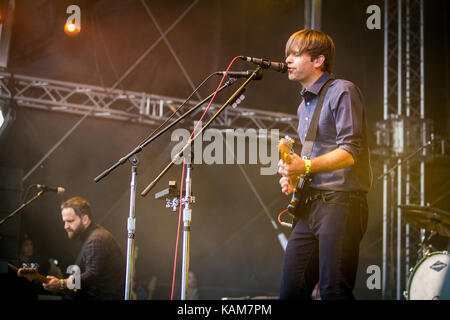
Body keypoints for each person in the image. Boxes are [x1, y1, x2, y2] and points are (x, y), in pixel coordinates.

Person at [277, 29, 372, 300]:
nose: (287, 61)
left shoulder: (342, 90)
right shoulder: (302, 106)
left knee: (334, 291)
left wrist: (304, 167)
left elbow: (350, 152)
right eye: (287, 54)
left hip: (341, 202)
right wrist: (295, 176)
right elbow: (311, 160)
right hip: (310, 205)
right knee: (291, 290)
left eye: (295, 54)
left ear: (318, 60)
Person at [42, 196, 125, 299]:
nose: (66, 226)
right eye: (64, 221)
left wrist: (61, 284)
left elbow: (92, 276)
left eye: (70, 221)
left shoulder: (96, 239)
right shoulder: (94, 236)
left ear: (85, 219)